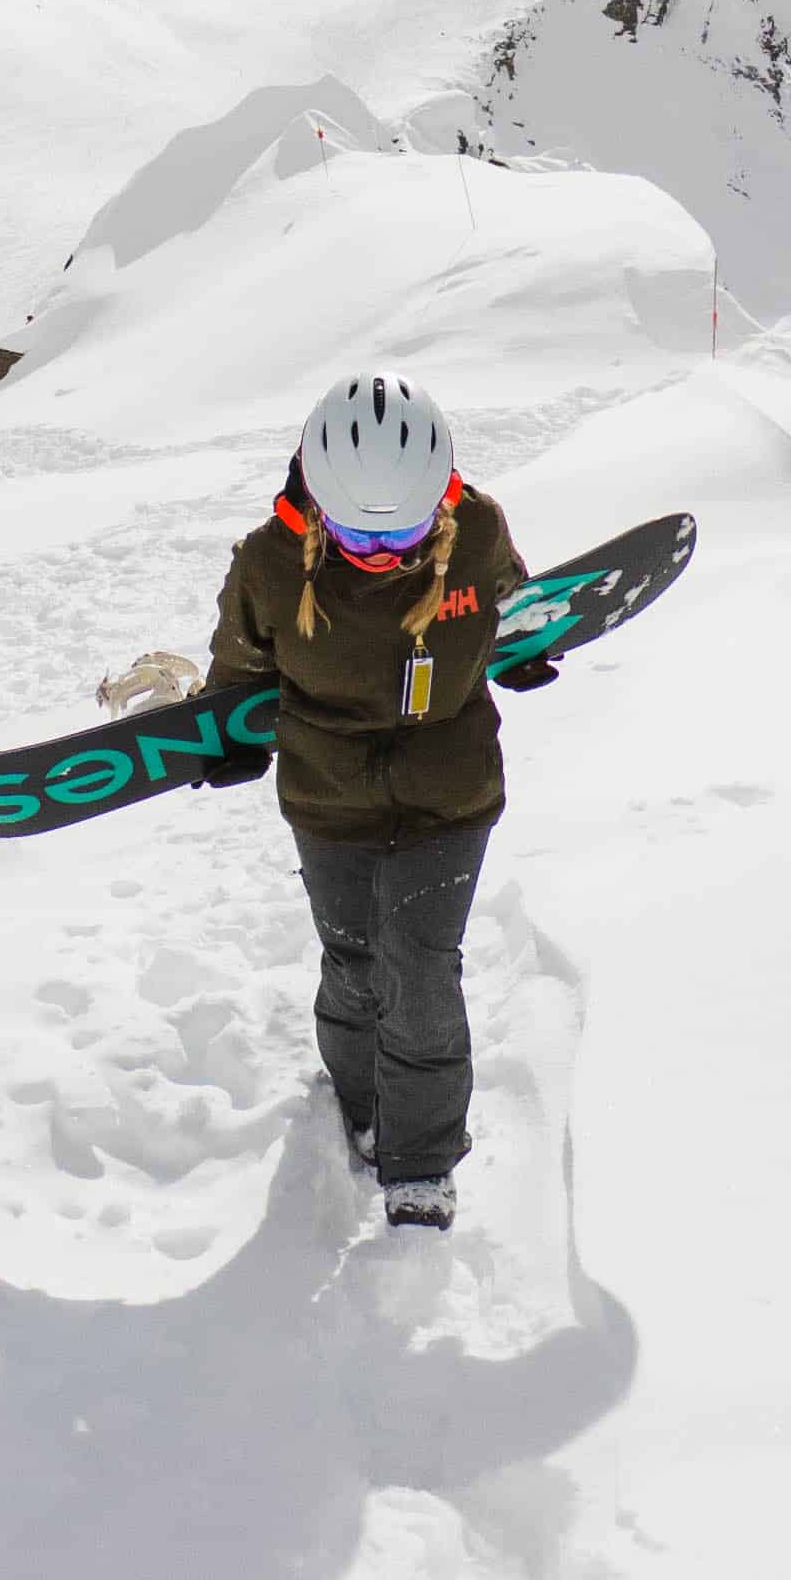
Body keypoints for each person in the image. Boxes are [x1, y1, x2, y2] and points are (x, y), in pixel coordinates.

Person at [201, 366, 550, 1233]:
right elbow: (243, 665)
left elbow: (513, 607)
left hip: (452, 791)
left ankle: (422, 1159)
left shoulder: (477, 531)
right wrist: (227, 736)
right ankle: (362, 1102)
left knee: (421, 970)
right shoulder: (269, 564)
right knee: (354, 962)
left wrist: (529, 645)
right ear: (318, 498)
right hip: (329, 795)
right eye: (358, 533)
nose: (383, 554)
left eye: (402, 533)